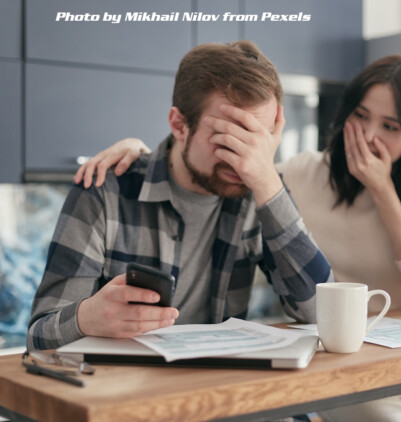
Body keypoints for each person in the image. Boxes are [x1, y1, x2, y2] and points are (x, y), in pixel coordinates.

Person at [78, 55, 401, 421]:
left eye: (390, 126)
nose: (367, 136)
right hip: (343, 362)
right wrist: (142, 153)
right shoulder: (300, 173)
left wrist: (382, 190)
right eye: (360, 116)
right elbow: (205, 163)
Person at [27, 40, 334, 351]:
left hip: (218, 390)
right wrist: (85, 318)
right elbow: (38, 336)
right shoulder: (105, 190)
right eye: (228, 140)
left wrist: (268, 181)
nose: (244, 161)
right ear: (179, 125)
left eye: (257, 140)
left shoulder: (260, 189)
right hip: (121, 392)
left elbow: (321, 312)